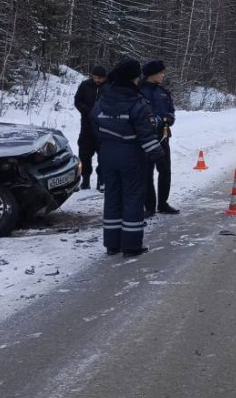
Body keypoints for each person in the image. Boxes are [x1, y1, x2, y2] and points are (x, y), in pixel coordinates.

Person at [90, 59, 165, 257]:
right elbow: (147, 134)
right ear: (133, 78)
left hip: (107, 154)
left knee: (112, 197)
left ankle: (112, 243)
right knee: (132, 197)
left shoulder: (103, 98)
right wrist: (157, 155)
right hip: (131, 155)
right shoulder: (136, 102)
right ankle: (131, 244)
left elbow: (95, 123)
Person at [139, 60, 179, 216]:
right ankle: (149, 207)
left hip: (163, 138)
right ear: (153, 74)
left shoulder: (164, 91)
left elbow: (171, 111)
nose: (163, 75)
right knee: (147, 173)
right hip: (147, 140)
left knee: (165, 171)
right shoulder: (139, 91)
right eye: (161, 73)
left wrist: (169, 118)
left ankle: (163, 204)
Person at [74, 65, 108, 190]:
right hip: (87, 126)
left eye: (100, 78)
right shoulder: (85, 85)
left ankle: (102, 180)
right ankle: (85, 180)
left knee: (104, 155)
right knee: (84, 154)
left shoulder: (109, 87)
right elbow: (77, 101)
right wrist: (87, 111)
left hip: (103, 127)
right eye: (95, 77)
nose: (98, 80)